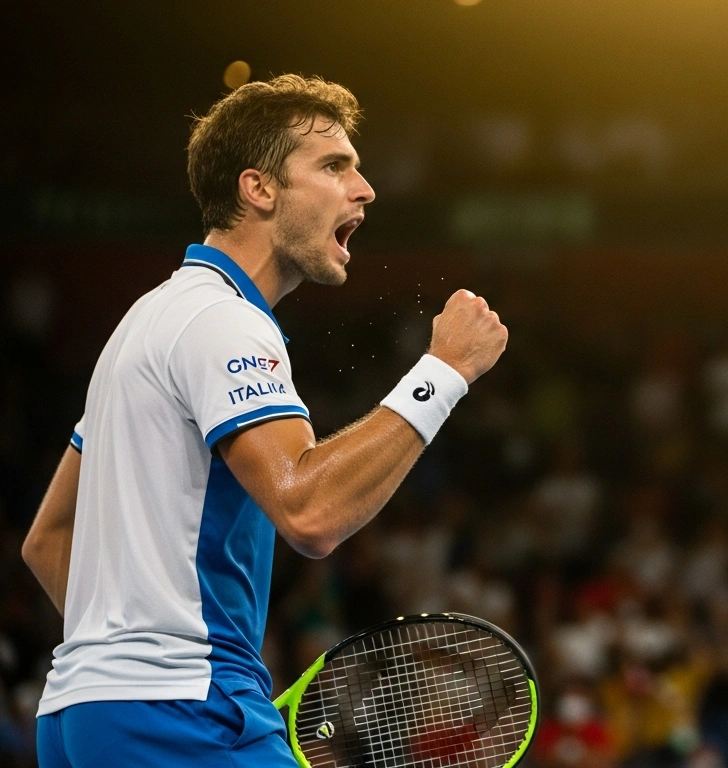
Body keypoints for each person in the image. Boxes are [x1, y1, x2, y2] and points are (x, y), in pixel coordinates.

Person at [19, 74, 508, 767]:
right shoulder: (225, 321)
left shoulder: (144, 322)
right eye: (335, 166)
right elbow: (310, 512)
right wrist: (445, 371)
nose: (364, 188)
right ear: (259, 189)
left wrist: (129, 659)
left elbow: (47, 539)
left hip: (79, 717)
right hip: (182, 714)